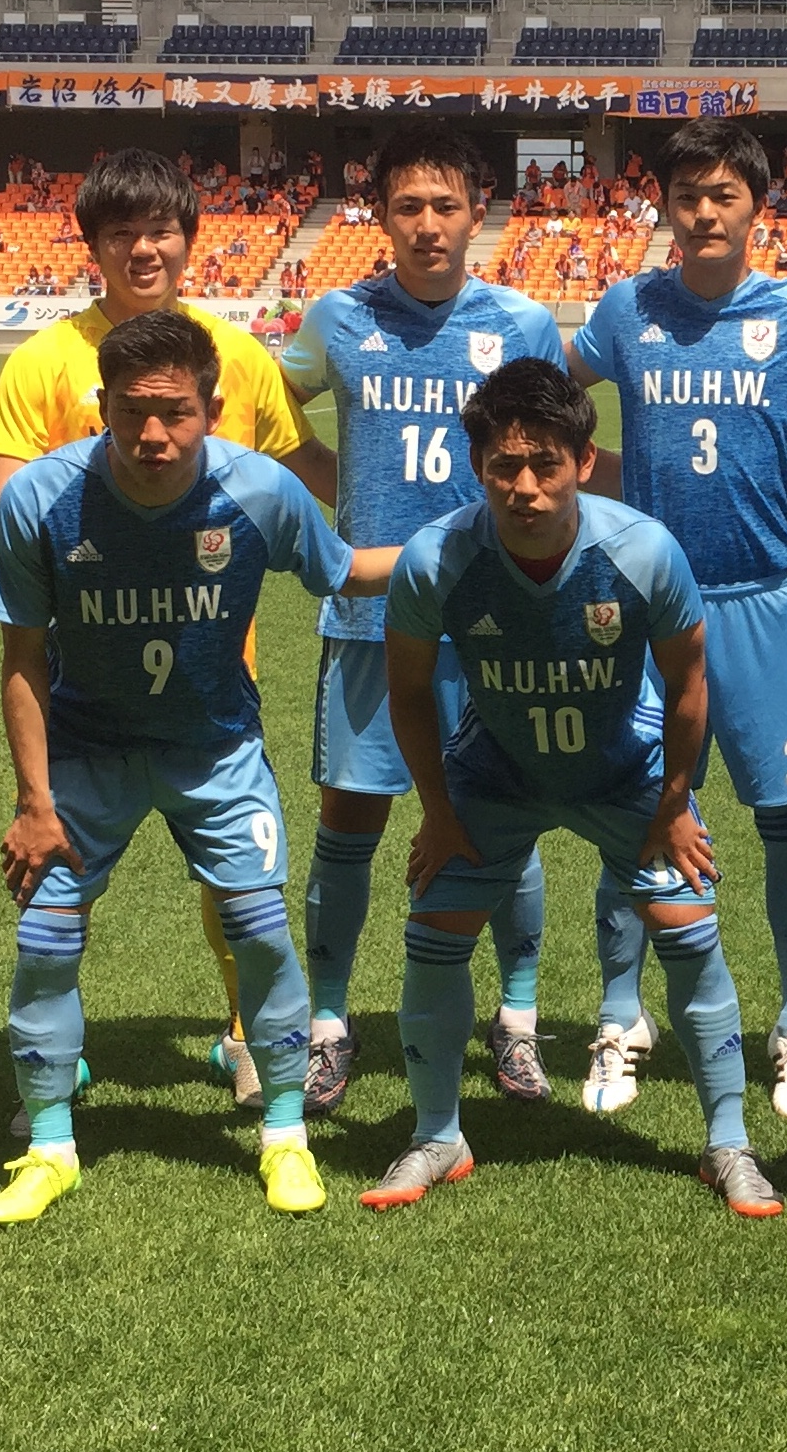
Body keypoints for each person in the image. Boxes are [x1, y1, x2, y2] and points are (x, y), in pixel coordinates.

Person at [0, 312, 397, 1224]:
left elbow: (347, 571)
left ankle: (284, 1135)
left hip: (215, 750)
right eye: (132, 411)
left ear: (212, 407)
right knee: (45, 941)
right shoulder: (39, 499)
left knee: (261, 935)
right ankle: (49, 1147)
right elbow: (21, 657)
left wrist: (468, 547)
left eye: (175, 411)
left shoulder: (260, 490)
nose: (153, 434)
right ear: (103, 405)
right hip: (87, 754)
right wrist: (34, 800)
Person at [362, 359, 782, 1218]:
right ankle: (439, 1136)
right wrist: (437, 812)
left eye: (545, 464)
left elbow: (689, 684)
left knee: (689, 933)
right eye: (504, 466)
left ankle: (728, 1144)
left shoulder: (644, 550)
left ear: (584, 461)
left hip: (622, 769)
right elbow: (407, 693)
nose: (524, 487)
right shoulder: (435, 558)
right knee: (432, 931)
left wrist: (674, 804)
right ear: (476, 465)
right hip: (495, 770)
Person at [0, 148, 336, 1121]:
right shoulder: (44, 360)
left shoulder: (237, 356)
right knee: (63, 874)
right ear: (92, 245)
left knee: (236, 885)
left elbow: (296, 466)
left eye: (160, 230)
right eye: (121, 233)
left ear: (189, 239)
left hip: (213, 661)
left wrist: (408, 517)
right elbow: (2, 496)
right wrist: (105, 508)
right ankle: (56, 1062)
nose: (143, 249)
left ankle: (247, 1035)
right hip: (84, 664)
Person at [565, 119, 787, 1123]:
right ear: (664, 206)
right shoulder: (626, 310)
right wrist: (603, 481)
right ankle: (620, 1015)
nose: (705, 212)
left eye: (724, 196)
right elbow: (550, 405)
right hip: (647, 606)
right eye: (687, 196)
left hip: (762, 602)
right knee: (635, 811)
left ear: (758, 207)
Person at [278, 126, 564, 1116]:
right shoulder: (338, 317)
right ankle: (327, 1024)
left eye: (446, 206)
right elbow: (273, 409)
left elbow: (553, 454)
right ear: (382, 217)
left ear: (477, 214)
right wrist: (338, 486)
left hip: (496, 622)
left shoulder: (522, 322)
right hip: (368, 618)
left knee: (508, 824)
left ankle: (517, 1018)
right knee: (348, 823)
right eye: (409, 207)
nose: (428, 225)